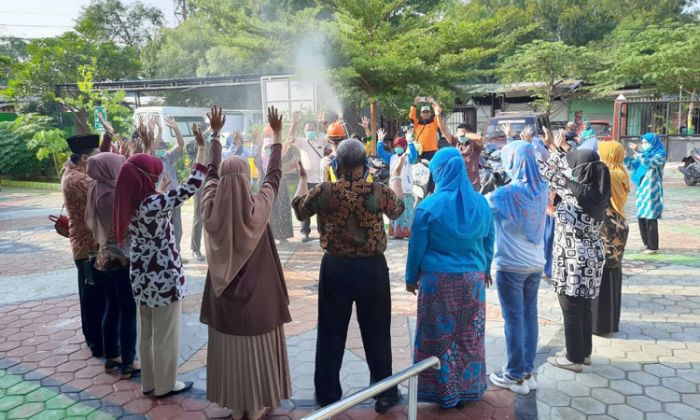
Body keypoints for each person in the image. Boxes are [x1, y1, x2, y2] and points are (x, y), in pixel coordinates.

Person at [292, 139, 406, 413]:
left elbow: (298, 209)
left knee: (331, 333)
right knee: (377, 331)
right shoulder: (377, 191)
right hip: (372, 270)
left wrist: (304, 178)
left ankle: (328, 395)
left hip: (336, 268)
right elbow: (399, 209)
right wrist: (397, 175)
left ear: (337, 163)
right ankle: (385, 394)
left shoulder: (325, 191)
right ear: (364, 165)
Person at [199, 107, 292, 420]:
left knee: (231, 353)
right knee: (255, 351)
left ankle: (239, 408)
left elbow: (210, 173)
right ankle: (255, 408)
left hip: (222, 301)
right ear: (247, 178)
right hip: (259, 302)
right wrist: (276, 137)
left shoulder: (209, 207)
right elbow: (274, 175)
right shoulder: (258, 208)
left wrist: (214, 135)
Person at [113, 119, 208, 398]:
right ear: (146, 179)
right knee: (166, 335)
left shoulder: (131, 203)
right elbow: (193, 184)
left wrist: (160, 191)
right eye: (154, 174)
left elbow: (142, 181)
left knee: (148, 334)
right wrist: (201, 149)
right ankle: (167, 385)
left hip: (141, 280)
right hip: (163, 280)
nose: (158, 175)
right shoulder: (154, 203)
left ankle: (150, 382)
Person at [405, 147, 495, 408]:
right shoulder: (481, 203)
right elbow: (489, 240)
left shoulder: (428, 207)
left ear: (441, 172)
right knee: (469, 336)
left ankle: (443, 393)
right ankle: (469, 389)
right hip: (473, 282)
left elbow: (416, 248)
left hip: (438, 283)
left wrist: (411, 277)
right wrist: (486, 269)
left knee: (438, 338)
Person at [539, 130, 611, 372]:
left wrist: (534, 148)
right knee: (583, 306)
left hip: (573, 258)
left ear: (581, 170)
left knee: (570, 306)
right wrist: (558, 148)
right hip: (591, 257)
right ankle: (584, 353)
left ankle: (573, 358)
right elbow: (568, 166)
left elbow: (547, 171)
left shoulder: (574, 192)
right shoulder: (597, 189)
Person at [485, 141, 548, 395]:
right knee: (529, 317)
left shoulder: (504, 195)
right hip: (535, 264)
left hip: (511, 266)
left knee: (513, 320)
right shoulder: (541, 188)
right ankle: (528, 372)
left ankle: (514, 374)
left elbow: (481, 206)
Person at [85, 152, 140, 379]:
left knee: (112, 307)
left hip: (104, 257)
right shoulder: (112, 195)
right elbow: (129, 224)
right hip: (121, 259)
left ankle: (112, 357)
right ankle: (129, 363)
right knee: (128, 311)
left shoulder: (96, 188)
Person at [61, 133, 104, 358]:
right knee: (92, 295)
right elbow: (107, 187)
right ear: (85, 159)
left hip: (86, 244)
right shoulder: (79, 180)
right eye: (97, 157)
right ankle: (97, 342)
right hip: (88, 247)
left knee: (92, 293)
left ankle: (95, 338)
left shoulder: (73, 171)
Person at [592, 141, 630, 335]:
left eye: (601, 152)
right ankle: (611, 322)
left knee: (603, 272)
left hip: (607, 227)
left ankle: (601, 324)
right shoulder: (620, 171)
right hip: (618, 225)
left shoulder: (609, 174)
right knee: (612, 272)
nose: (598, 155)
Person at [286, 112, 327, 242]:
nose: (310, 131)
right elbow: (290, 139)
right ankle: (305, 233)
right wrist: (294, 124)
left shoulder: (321, 140)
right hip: (307, 181)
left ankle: (323, 232)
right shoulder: (302, 142)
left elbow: (331, 136)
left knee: (321, 208)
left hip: (320, 180)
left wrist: (324, 124)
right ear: (304, 131)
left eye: (312, 129)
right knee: (306, 206)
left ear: (316, 130)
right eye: (308, 130)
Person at [624, 133, 666, 255]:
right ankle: (646, 243)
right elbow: (632, 166)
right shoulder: (643, 154)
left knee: (651, 217)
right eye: (642, 142)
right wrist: (626, 156)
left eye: (646, 142)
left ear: (653, 142)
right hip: (642, 189)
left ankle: (653, 246)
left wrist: (638, 152)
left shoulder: (660, 154)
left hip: (653, 189)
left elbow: (650, 164)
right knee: (641, 216)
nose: (644, 145)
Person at [150, 116, 186, 256]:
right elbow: (152, 150)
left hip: (174, 200)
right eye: (159, 146)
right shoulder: (151, 160)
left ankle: (176, 254)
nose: (160, 149)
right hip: (160, 200)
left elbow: (180, 144)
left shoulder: (168, 157)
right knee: (162, 229)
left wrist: (175, 128)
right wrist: (159, 131)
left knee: (177, 229)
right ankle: (165, 255)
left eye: (162, 147)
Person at [377, 128, 418, 239]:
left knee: (407, 211)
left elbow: (415, 156)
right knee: (396, 210)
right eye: (396, 146)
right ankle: (396, 231)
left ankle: (406, 231)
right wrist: (380, 141)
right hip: (394, 190)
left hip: (406, 190)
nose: (397, 148)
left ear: (404, 147)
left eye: (399, 146)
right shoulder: (391, 157)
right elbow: (380, 152)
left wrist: (410, 142)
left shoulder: (409, 158)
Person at [436, 104, 484, 190]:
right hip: (458, 181)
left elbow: (479, 138)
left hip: (472, 182)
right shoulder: (456, 142)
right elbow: (443, 130)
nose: (460, 137)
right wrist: (438, 115)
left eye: (462, 135)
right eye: (458, 134)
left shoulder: (474, 145)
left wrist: (464, 134)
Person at [259, 125, 294, 241]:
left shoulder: (263, 146)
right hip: (274, 181)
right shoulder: (268, 145)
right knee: (276, 209)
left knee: (277, 208)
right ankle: (277, 235)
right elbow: (282, 153)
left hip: (272, 181)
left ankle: (278, 235)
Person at [409, 96, 440, 160]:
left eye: (427, 112)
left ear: (430, 113)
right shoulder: (417, 124)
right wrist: (415, 103)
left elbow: (438, 112)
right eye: (423, 112)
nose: (425, 114)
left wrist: (433, 102)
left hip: (432, 151)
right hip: (419, 151)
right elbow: (411, 116)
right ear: (420, 114)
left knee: (431, 169)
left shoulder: (434, 123)